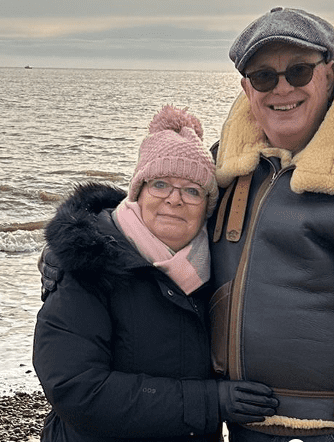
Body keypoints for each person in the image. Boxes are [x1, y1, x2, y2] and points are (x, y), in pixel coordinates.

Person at [41, 7, 334, 442]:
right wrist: (77, 243)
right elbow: (164, 216)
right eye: (264, 76)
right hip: (242, 428)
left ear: (329, 72)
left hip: (331, 432)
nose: (282, 88)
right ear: (247, 87)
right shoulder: (232, 162)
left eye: (298, 71)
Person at [32, 106, 279, 442]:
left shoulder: (216, 271)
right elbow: (77, 390)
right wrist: (210, 402)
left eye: (192, 190)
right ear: (139, 192)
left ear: (207, 205)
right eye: (161, 184)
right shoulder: (88, 268)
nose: (174, 200)